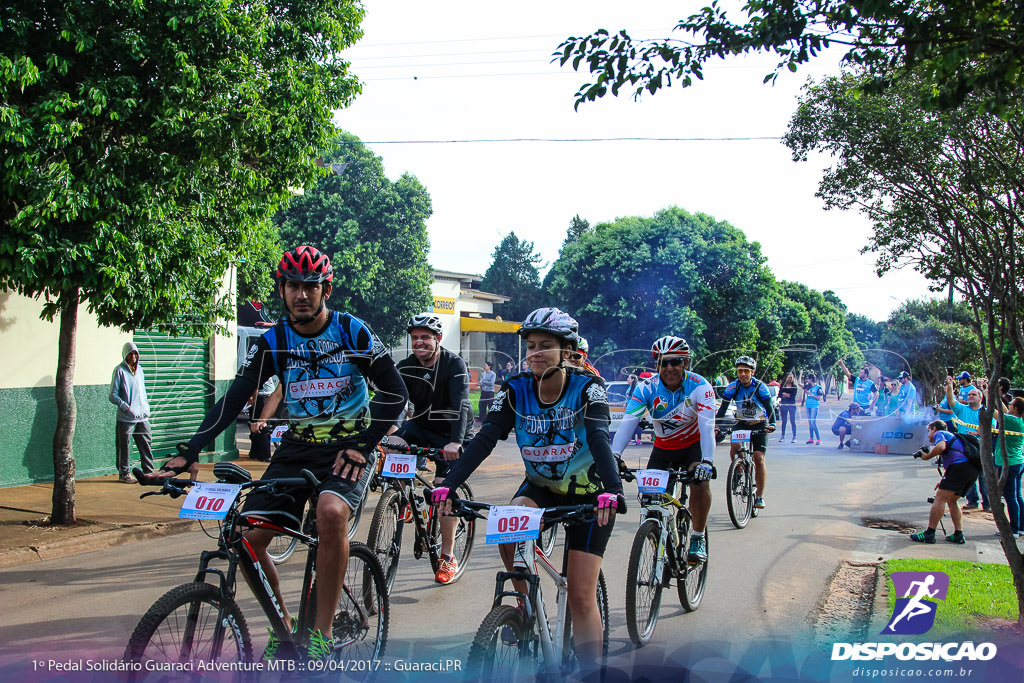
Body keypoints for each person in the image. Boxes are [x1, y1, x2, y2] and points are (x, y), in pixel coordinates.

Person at [154, 245, 407, 662]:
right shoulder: (275, 340)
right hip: (297, 447)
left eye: (310, 286)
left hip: (349, 448)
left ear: (326, 289)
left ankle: (322, 635)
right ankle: (285, 627)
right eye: (293, 285)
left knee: (329, 513)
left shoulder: (351, 331)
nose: (301, 294)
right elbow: (234, 397)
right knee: (243, 537)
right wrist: (192, 450)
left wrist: (363, 445)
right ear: (283, 289)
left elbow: (395, 391)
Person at [433, 307, 622, 671]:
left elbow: (598, 437)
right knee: (506, 526)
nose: (534, 353)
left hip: (591, 494)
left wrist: (613, 489)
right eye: (530, 346)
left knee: (581, 597)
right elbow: (486, 438)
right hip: (542, 486)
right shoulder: (516, 389)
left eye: (544, 346)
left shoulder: (588, 388)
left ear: (567, 351)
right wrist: (450, 484)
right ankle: (525, 604)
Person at [611, 335, 716, 561]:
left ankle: (698, 537)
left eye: (675, 361)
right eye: (662, 362)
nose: (669, 368)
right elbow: (628, 423)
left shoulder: (700, 387)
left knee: (700, 481)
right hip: (663, 450)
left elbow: (707, 428)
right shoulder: (646, 388)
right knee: (650, 501)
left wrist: (707, 461)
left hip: (693, 448)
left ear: (685, 363)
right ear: (656, 364)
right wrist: (614, 455)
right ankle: (663, 542)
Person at [390, 313, 472, 584]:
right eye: (415, 338)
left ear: (437, 339)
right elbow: (396, 403)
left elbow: (461, 405)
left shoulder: (454, 364)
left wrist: (456, 442)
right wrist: (390, 429)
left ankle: (448, 557)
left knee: (443, 491)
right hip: (423, 426)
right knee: (394, 445)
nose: (419, 342)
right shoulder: (405, 366)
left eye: (425, 337)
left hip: (453, 431)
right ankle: (404, 498)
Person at [716, 356, 776, 509]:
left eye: (746, 371)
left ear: (752, 372)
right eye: (739, 371)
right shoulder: (732, 387)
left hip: (760, 423)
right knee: (735, 444)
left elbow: (769, 408)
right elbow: (723, 409)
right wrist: (717, 426)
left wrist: (772, 424)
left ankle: (760, 496)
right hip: (742, 422)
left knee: (758, 458)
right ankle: (739, 468)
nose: (742, 374)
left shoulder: (760, 387)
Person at [910, 419, 980, 544]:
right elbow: (953, 460)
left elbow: (941, 447)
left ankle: (929, 534)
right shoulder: (952, 438)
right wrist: (943, 481)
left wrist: (926, 456)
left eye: (929, 431)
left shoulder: (940, 434)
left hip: (961, 467)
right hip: (971, 470)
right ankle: (958, 534)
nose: (929, 435)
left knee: (940, 498)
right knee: (952, 500)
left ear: (934, 429)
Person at [109, 342, 155, 482]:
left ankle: (148, 472)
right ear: (125, 355)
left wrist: (145, 407)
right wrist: (126, 407)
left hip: (142, 416)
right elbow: (112, 395)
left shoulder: (140, 370)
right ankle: (124, 474)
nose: (133, 356)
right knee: (124, 446)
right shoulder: (119, 371)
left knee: (146, 443)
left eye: (135, 353)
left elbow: (143, 392)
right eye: (130, 353)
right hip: (127, 418)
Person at [943, 375, 990, 511]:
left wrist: (978, 432)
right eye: (969, 394)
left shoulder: (985, 411)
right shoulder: (962, 409)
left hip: (981, 449)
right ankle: (972, 501)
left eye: (973, 394)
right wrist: (950, 387)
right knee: (969, 476)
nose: (970, 396)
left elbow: (991, 427)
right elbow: (951, 401)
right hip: (965, 449)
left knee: (984, 477)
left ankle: (987, 503)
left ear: (980, 398)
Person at [994, 397, 1024, 537]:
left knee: (1010, 496)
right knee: (1017, 496)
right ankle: (1021, 526)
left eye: (1011, 404)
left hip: (1010, 464)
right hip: (1017, 462)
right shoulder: (1017, 420)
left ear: (1016, 408)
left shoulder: (1012, 421)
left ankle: (1013, 529)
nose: (1008, 406)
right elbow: (1003, 412)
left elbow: (995, 413)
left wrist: (986, 395)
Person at [247, 374, 281, 462]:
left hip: (261, 397)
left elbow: (256, 385)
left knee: (261, 427)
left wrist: (252, 398)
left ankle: (265, 455)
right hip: (266, 397)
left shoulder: (260, 370)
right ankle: (254, 453)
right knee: (255, 426)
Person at [802, 373, 825, 445]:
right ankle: (811, 438)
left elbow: (818, 398)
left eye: (808, 379)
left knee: (813, 423)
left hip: (814, 406)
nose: (807, 380)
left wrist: (811, 394)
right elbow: (801, 386)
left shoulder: (818, 387)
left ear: (811, 379)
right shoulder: (808, 386)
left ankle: (818, 439)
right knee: (810, 423)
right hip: (808, 405)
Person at [778, 373, 799, 443]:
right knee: (784, 421)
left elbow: (792, 396)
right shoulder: (783, 386)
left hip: (792, 405)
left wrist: (785, 394)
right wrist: (785, 395)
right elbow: (779, 395)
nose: (789, 379)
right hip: (784, 405)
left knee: (792, 421)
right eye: (788, 377)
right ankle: (782, 436)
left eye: (791, 377)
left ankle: (794, 437)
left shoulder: (794, 387)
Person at [625, 374, 644, 445]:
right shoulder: (630, 387)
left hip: (635, 408)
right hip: (629, 409)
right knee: (631, 425)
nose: (627, 379)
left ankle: (638, 440)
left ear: (632, 379)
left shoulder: (637, 388)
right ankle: (633, 440)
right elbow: (628, 397)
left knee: (637, 425)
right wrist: (625, 403)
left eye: (629, 378)